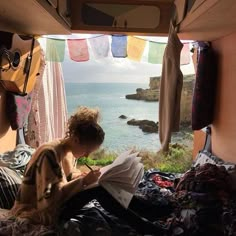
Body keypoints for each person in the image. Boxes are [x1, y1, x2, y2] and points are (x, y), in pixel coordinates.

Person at [11, 106, 165, 235]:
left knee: (105, 184)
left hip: (54, 202)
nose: (87, 155)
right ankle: (144, 224)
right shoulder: (49, 154)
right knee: (98, 190)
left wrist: (82, 176)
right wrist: (83, 181)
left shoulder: (67, 149)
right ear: (76, 139)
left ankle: (149, 211)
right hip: (39, 211)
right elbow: (50, 198)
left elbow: (67, 177)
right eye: (87, 150)